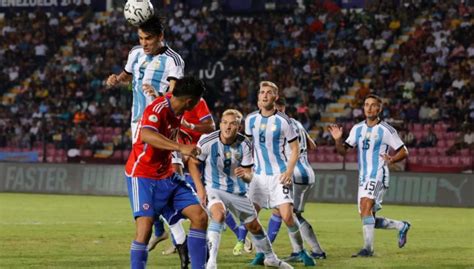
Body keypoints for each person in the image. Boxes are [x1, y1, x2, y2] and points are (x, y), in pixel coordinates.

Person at [105, 16, 192, 267]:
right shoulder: (135, 53)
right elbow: (127, 76)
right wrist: (116, 79)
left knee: (157, 182)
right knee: (151, 183)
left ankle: (177, 240)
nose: (144, 43)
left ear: (160, 37)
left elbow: (174, 96)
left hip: (161, 127)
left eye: (149, 39)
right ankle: (177, 242)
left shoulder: (174, 60)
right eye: (141, 38)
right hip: (138, 126)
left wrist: (160, 97)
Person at [188, 109, 293, 269]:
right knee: (218, 214)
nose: (228, 127)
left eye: (232, 124)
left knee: (254, 227)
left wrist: (245, 175)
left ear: (239, 127)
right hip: (214, 188)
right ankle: (211, 263)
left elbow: (250, 174)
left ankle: (271, 259)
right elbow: (193, 163)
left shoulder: (245, 144)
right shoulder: (207, 141)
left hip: (237, 191)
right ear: (220, 124)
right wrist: (200, 188)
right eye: (225, 123)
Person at [124, 76, 208, 269]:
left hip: (166, 175)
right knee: (144, 230)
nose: (197, 105)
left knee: (200, 216)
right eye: (197, 101)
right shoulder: (158, 109)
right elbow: (146, 135)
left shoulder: (176, 105)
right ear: (190, 101)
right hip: (143, 175)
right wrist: (181, 147)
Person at [328, 94, 411, 257]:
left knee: (366, 206)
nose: (369, 108)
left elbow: (404, 151)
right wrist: (338, 140)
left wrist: (392, 159)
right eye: (366, 105)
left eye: (373, 105)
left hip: (379, 173)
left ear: (379, 109)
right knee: (367, 216)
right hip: (363, 177)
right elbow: (343, 151)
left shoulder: (387, 130)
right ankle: (401, 226)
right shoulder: (357, 128)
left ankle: (367, 249)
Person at [244, 81, 315, 266]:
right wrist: (247, 169)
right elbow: (247, 147)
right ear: (258, 97)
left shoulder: (284, 121)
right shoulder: (250, 120)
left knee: (288, 216)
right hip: (258, 177)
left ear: (275, 97)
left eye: (269, 92)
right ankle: (264, 254)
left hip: (279, 175)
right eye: (262, 92)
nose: (265, 95)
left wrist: (289, 171)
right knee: (250, 218)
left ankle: (301, 251)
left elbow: (295, 148)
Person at [274, 98, 326, 261]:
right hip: (308, 172)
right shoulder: (297, 123)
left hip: (294, 173)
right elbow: (313, 146)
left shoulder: (278, 125)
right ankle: (316, 251)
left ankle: (299, 251)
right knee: (294, 214)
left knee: (287, 213)